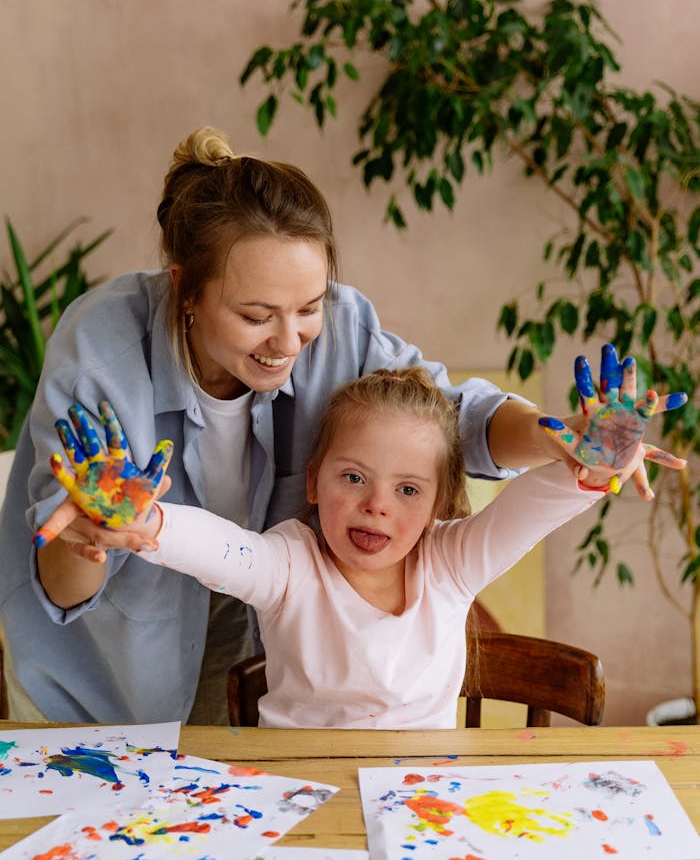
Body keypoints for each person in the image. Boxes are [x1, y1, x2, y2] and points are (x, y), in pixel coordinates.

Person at [0, 125, 683, 726]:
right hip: (105, 675)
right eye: (256, 314)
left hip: (248, 635)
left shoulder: (345, 329)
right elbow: (61, 587)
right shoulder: (100, 353)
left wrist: (564, 440)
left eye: (308, 306)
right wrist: (98, 531)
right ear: (185, 289)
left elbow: (454, 420)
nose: (289, 340)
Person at [34, 359, 684, 729]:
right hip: (296, 800)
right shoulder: (290, 563)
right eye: (354, 478)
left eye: (408, 490)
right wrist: (149, 523)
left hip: (424, 801)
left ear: (439, 503)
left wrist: (591, 468)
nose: (377, 503)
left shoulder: (450, 562)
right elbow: (223, 550)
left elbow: (530, 510)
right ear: (313, 481)